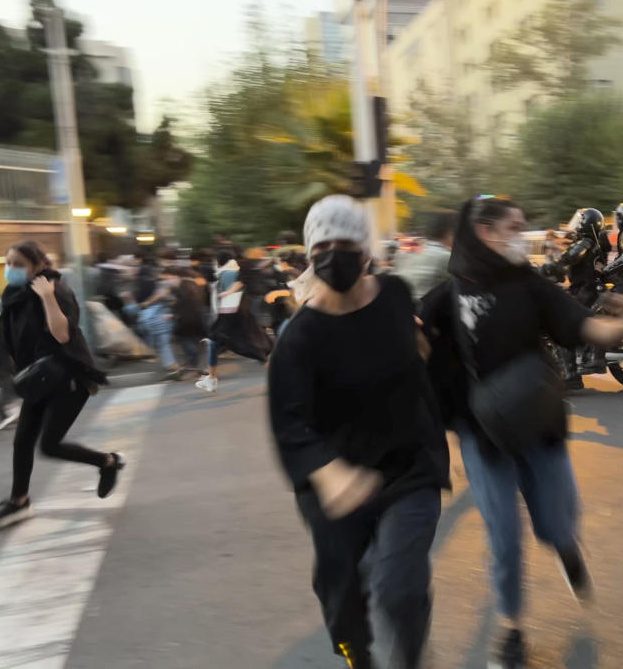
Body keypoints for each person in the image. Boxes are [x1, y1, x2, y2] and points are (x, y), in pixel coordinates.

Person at [419, 198, 623, 668]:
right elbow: (413, 343)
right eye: (514, 226)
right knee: (504, 537)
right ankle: (512, 629)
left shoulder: (531, 285)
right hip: (482, 436)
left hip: (540, 424)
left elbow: (583, 326)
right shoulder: (448, 295)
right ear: (484, 233)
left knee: (558, 521)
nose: (522, 234)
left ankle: (565, 546)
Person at [269, 195, 449, 669]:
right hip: (336, 479)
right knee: (342, 593)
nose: (334, 253)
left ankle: (410, 656)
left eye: (345, 242)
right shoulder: (299, 337)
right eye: (322, 244)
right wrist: (328, 474)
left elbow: (418, 354)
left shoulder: (394, 296)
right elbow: (288, 424)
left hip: (407, 467)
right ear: (309, 255)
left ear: (365, 250)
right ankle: (356, 649)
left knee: (399, 588)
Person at [0, 241, 123, 533]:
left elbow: (61, 336)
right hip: (37, 379)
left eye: (18, 264)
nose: (10, 270)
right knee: (22, 441)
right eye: (8, 263)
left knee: (50, 445)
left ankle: (107, 462)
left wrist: (47, 297)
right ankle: (19, 500)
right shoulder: (13, 295)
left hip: (67, 378)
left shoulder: (57, 290)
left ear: (39, 265)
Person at [196, 249, 271, 393]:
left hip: (232, 317)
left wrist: (227, 292)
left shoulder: (227, 273)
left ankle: (278, 378)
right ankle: (211, 378)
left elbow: (239, 285)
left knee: (253, 349)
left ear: (219, 261)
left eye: (214, 261)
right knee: (214, 344)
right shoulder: (230, 271)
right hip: (235, 315)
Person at [542, 207, 611, 308]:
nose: (578, 225)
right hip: (592, 289)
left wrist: (545, 270)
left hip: (582, 291)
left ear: (586, 223)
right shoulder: (598, 242)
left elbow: (567, 260)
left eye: (581, 221)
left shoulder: (585, 243)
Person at [395, 211, 457, 301]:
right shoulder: (445, 257)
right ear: (449, 234)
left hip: (400, 305)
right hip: (423, 310)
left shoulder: (405, 253)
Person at [170, 267, 208, 373]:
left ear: (179, 277)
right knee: (197, 340)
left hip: (185, 319)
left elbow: (181, 303)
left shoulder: (182, 286)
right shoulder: (197, 285)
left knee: (181, 339)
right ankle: (198, 364)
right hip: (199, 317)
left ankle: (194, 361)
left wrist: (173, 310)